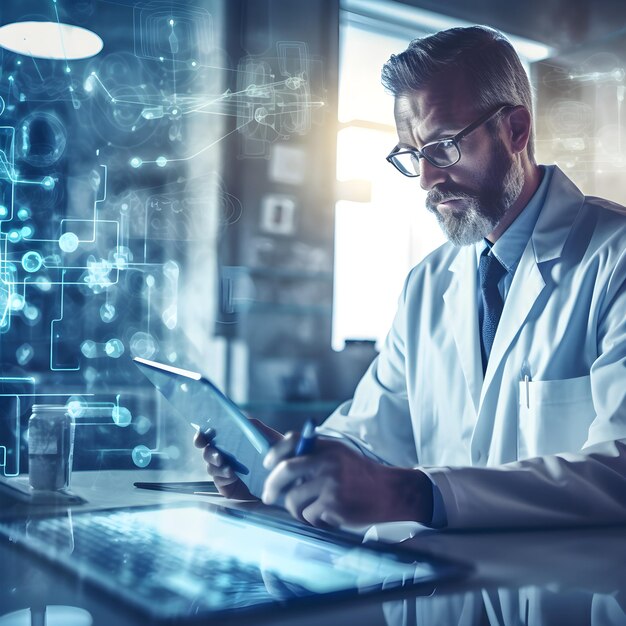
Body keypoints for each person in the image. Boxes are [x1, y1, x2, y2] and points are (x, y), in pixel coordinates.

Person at [195, 25, 626, 530]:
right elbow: (370, 434)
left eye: (443, 146)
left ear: (515, 130)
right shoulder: (428, 282)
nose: (426, 178)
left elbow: (618, 469)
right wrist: (281, 466)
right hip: (441, 595)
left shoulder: (613, 258)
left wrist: (413, 495)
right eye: (412, 154)